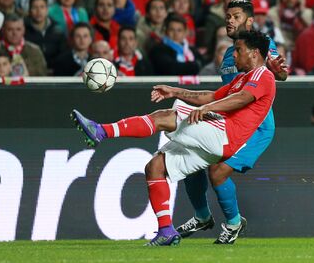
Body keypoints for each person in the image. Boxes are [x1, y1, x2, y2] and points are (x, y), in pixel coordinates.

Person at [71, 29, 277, 246]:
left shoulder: (263, 75)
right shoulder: (242, 79)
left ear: (254, 53)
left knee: (162, 117)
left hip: (224, 134)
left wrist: (208, 108)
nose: (234, 55)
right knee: (155, 167)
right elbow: (211, 95)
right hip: (215, 139)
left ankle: (101, 131)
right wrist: (175, 91)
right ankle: (166, 231)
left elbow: (241, 99)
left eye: (239, 50)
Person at [175, 0, 287, 244]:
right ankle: (202, 216)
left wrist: (278, 70)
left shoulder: (262, 45)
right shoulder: (229, 54)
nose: (229, 20)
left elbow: (281, 74)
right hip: (227, 123)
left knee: (217, 172)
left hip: (255, 128)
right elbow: (226, 92)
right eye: (227, 16)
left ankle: (234, 223)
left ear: (249, 21)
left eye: (235, 16)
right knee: (190, 160)